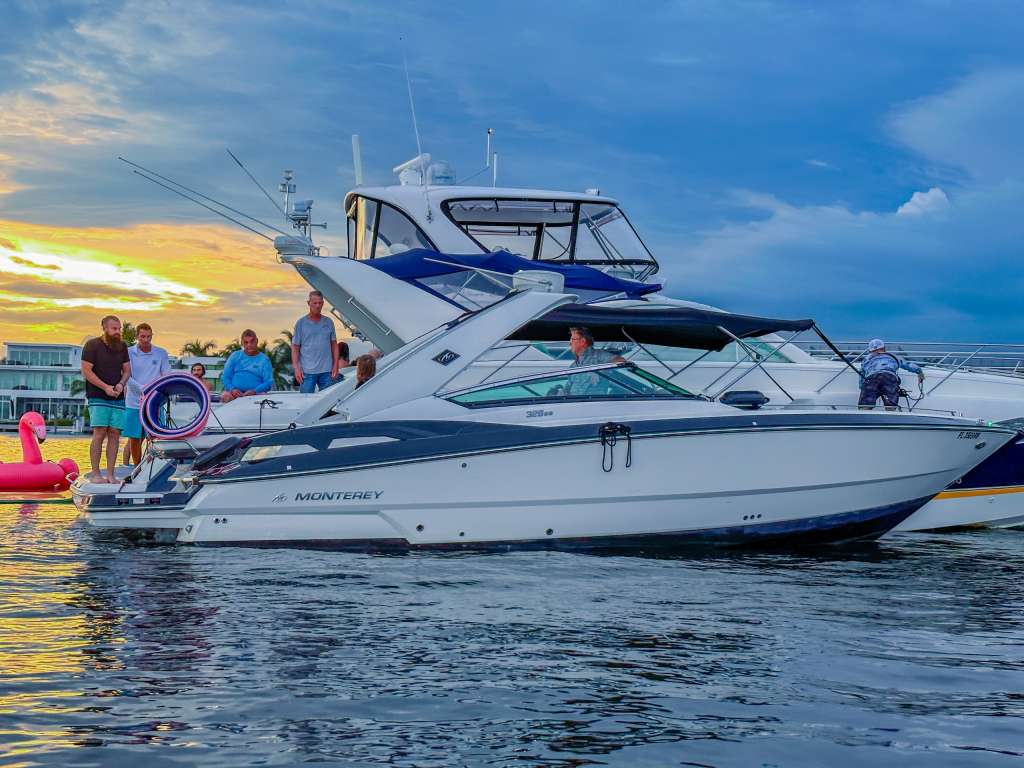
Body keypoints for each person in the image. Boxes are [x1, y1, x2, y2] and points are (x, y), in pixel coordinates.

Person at [81, 315, 131, 482]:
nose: (117, 331)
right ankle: (96, 474)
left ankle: (110, 474)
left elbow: (127, 371)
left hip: (118, 397)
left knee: (115, 433)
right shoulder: (92, 345)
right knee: (100, 432)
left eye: (119, 328)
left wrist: (121, 384)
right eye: (114, 328)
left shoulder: (122, 346)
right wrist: (105, 387)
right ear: (104, 328)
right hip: (98, 396)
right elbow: (87, 371)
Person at [121, 323, 170, 465]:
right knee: (134, 437)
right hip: (133, 402)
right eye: (143, 336)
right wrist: (143, 389)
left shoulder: (161, 353)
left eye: (149, 336)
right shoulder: (128, 352)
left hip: (154, 402)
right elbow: (126, 375)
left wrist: (155, 391)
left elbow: (166, 374)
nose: (146, 340)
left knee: (155, 436)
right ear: (137, 336)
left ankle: (152, 465)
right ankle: (137, 466)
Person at [291, 290, 339, 393]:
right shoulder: (301, 323)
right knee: (305, 400)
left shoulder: (329, 322)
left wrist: (336, 365)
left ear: (323, 303)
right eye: (315, 303)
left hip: (327, 371)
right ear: (309, 303)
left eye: (320, 303)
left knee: (328, 401)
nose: (318, 306)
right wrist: (296, 368)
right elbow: (295, 347)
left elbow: (334, 345)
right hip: (307, 372)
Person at [859, 338, 925, 410]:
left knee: (865, 405)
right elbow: (908, 365)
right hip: (889, 378)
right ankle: (890, 411)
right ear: (884, 348)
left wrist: (863, 387)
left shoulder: (866, 358)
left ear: (870, 351)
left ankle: (864, 411)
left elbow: (861, 374)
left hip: (872, 378)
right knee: (891, 406)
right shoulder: (892, 356)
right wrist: (919, 372)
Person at [565, 326, 625, 396]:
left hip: (594, 401)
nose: (570, 343)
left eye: (573, 339)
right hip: (574, 401)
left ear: (583, 341)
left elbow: (621, 361)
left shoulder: (598, 355)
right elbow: (569, 386)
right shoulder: (573, 366)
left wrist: (599, 371)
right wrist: (561, 391)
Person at [221, 329, 273, 403]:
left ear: (257, 341)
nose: (249, 345)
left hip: (256, 394)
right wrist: (232, 389)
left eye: (252, 341)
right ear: (242, 343)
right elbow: (225, 377)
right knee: (225, 396)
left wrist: (254, 391)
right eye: (246, 342)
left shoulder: (264, 360)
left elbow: (268, 382)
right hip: (234, 394)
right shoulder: (235, 356)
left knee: (262, 400)